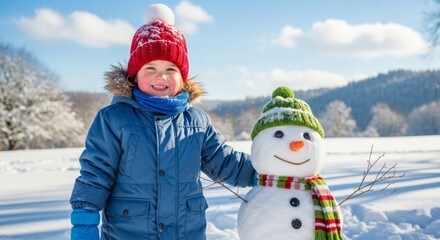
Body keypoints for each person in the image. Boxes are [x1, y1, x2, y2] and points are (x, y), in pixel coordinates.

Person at [69, 3, 256, 240]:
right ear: (135, 75)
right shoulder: (114, 119)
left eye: (171, 68)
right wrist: (84, 221)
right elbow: (95, 175)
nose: (161, 75)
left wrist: (267, 171)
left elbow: (224, 161)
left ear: (182, 77)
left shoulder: (197, 121)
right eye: (150, 67)